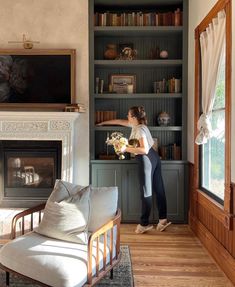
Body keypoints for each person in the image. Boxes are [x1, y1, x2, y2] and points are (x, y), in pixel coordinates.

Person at [97, 106, 171, 234]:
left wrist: (125, 149)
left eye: (129, 115)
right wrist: (103, 123)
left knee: (146, 192)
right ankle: (162, 220)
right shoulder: (139, 126)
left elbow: (144, 150)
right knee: (159, 189)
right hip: (154, 158)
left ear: (134, 117)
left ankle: (144, 224)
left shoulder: (139, 130)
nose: (127, 117)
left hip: (146, 159)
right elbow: (120, 121)